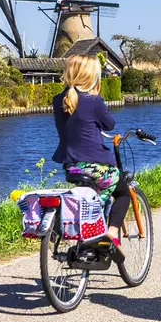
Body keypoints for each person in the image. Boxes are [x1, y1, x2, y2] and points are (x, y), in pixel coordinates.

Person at [52, 55, 130, 251]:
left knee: (86, 198)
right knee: (123, 193)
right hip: (96, 167)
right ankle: (110, 234)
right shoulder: (93, 100)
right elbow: (110, 124)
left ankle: (69, 226)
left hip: (71, 167)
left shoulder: (57, 100)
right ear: (90, 76)